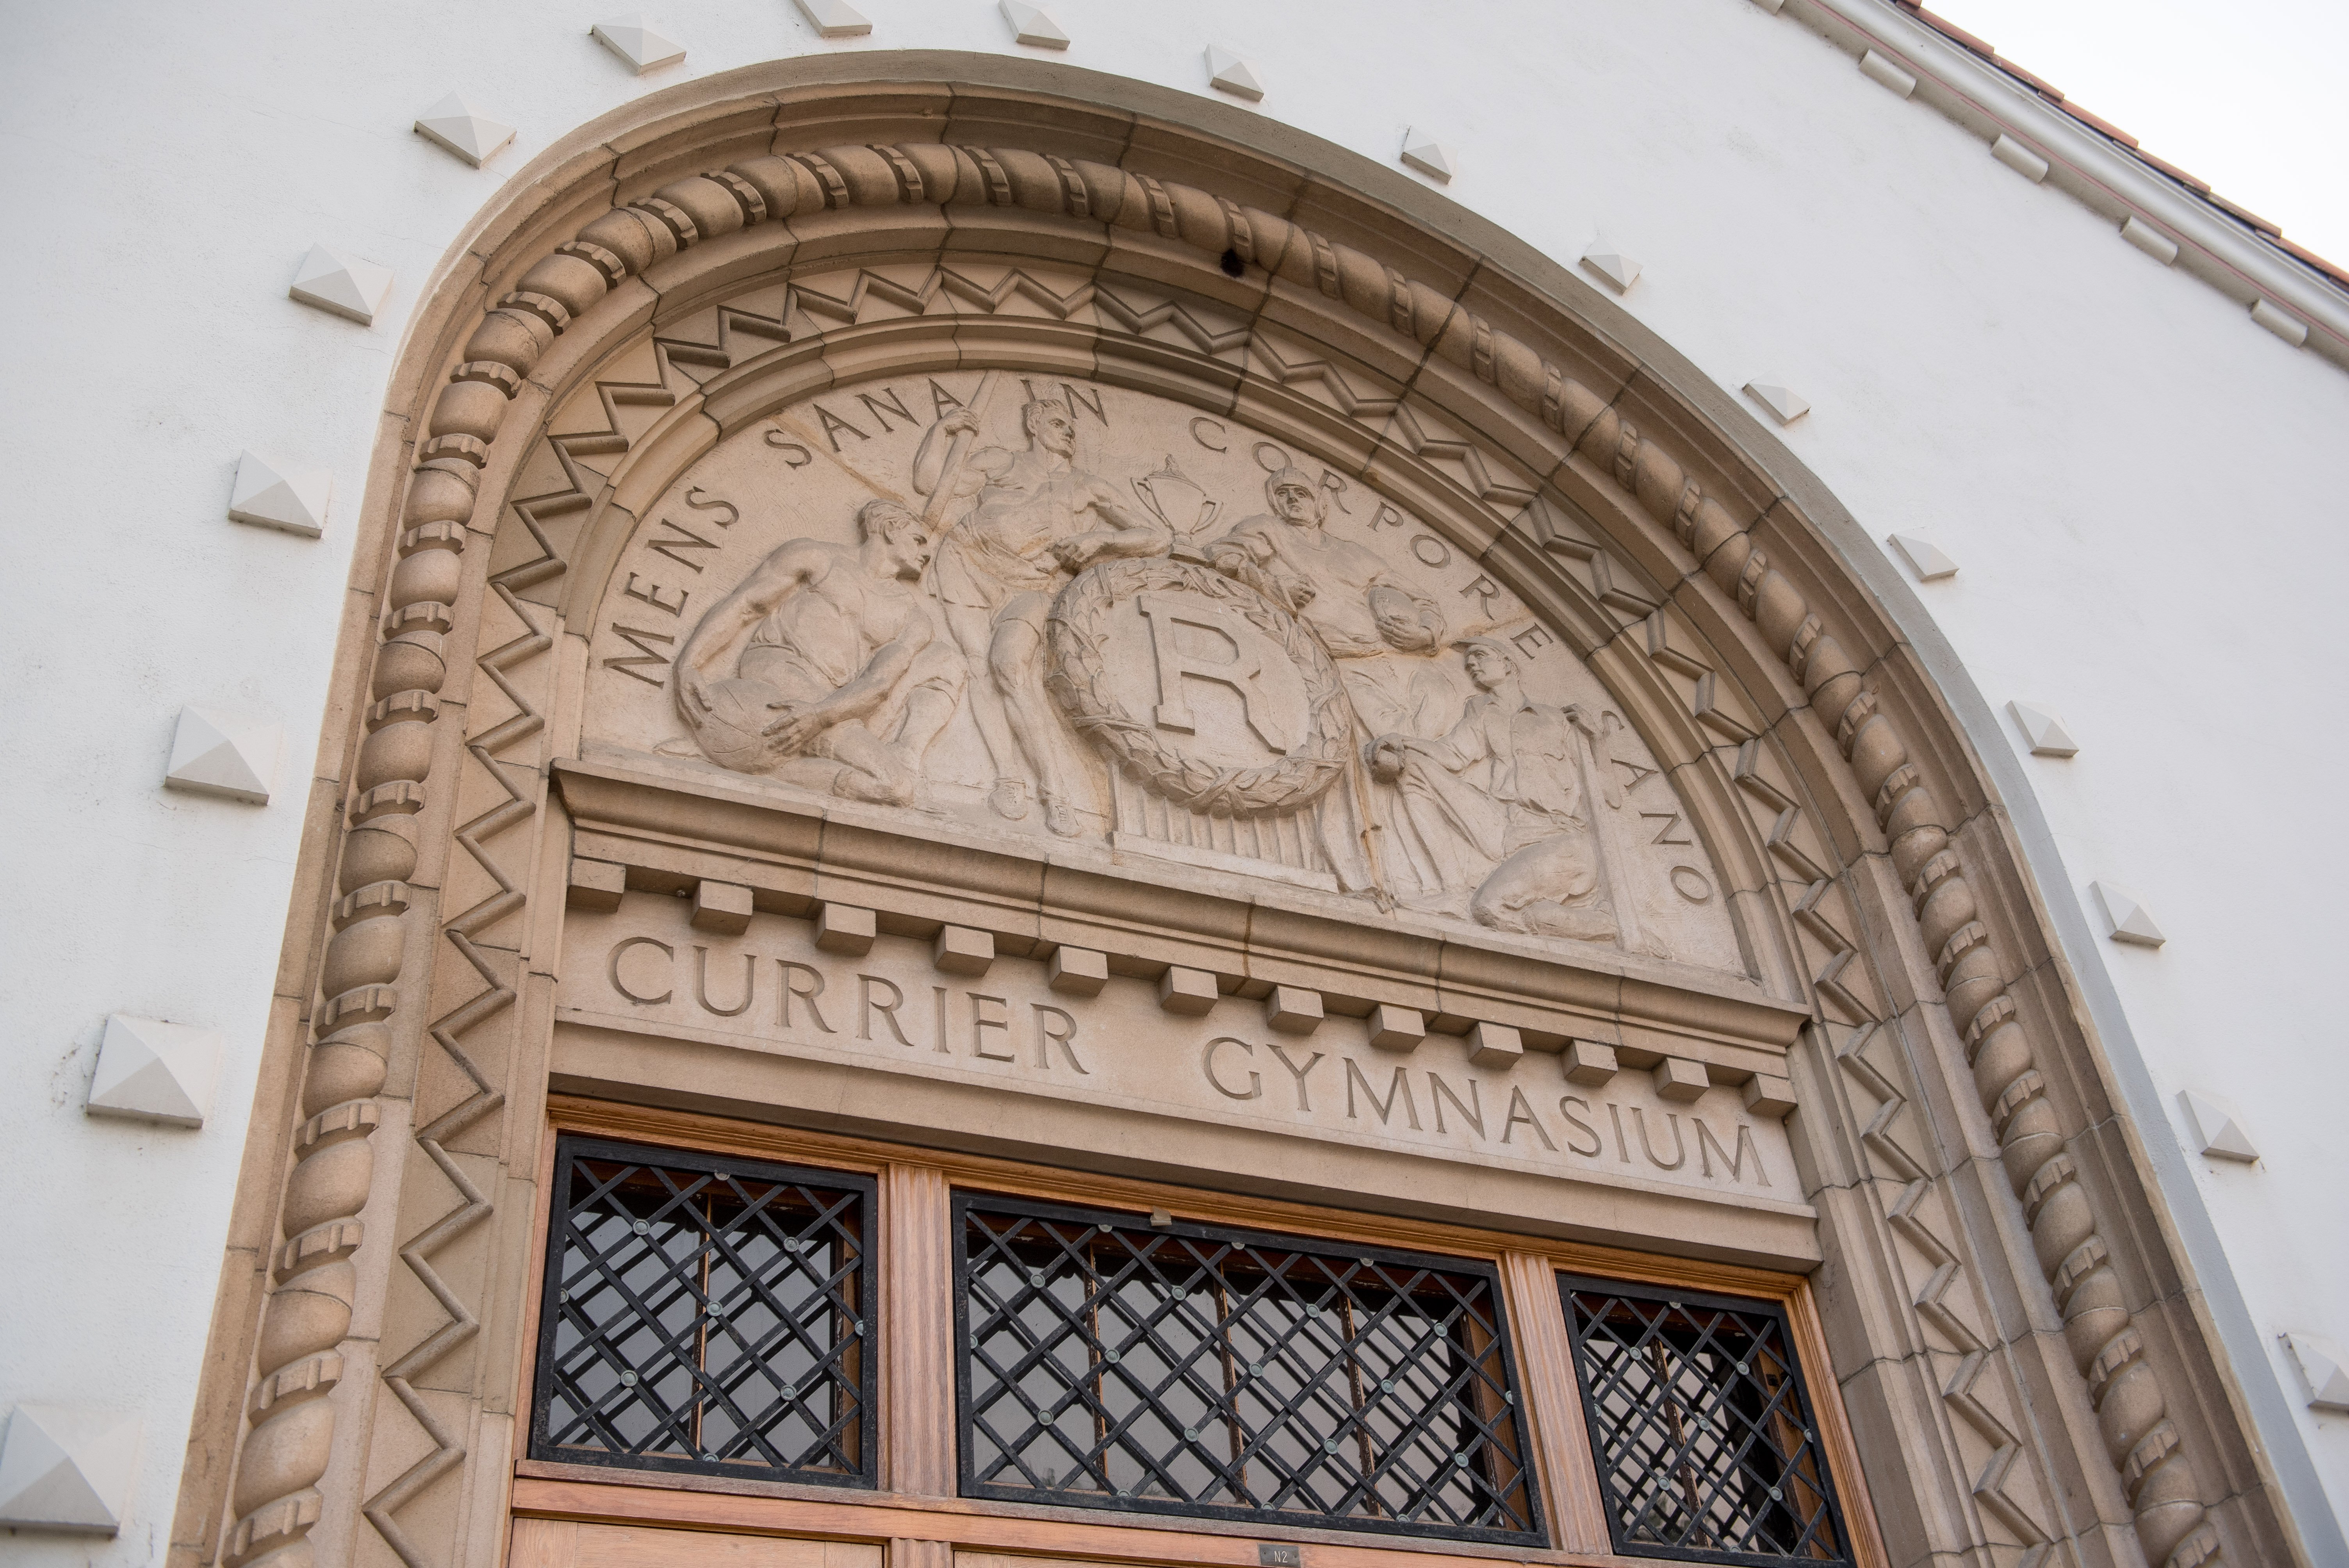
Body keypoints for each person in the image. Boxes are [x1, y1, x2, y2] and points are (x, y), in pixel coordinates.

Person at [912, 399, 1171, 836]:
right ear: (1033, 424)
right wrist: (942, 432)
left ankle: (1055, 792)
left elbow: (1157, 536)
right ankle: (1009, 779)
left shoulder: (1086, 485)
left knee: (1010, 668)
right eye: (1057, 423)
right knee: (979, 670)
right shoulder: (1001, 460)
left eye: (1072, 428)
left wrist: (1100, 540)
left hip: (1032, 583)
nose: (1068, 433)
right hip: (966, 562)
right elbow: (930, 483)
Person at [673, 498, 965, 807]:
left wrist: (821, 715)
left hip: (831, 702)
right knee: (894, 788)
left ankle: (769, 764)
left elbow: (879, 684)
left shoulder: (914, 618)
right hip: (778, 669)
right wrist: (690, 663)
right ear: (890, 530)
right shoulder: (815, 557)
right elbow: (745, 605)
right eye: (918, 540)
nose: (927, 552)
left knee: (896, 789)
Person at [1368, 637, 1622, 941]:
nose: (1472, 664)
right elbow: (1452, 753)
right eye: (1468, 661)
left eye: (1481, 656)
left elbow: (1609, 797)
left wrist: (1597, 741)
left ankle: (1601, 925)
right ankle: (1453, 891)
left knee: (1489, 907)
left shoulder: (1557, 720)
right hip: (1505, 829)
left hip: (1560, 840)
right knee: (1414, 767)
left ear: (1509, 665)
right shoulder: (1481, 710)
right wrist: (1401, 741)